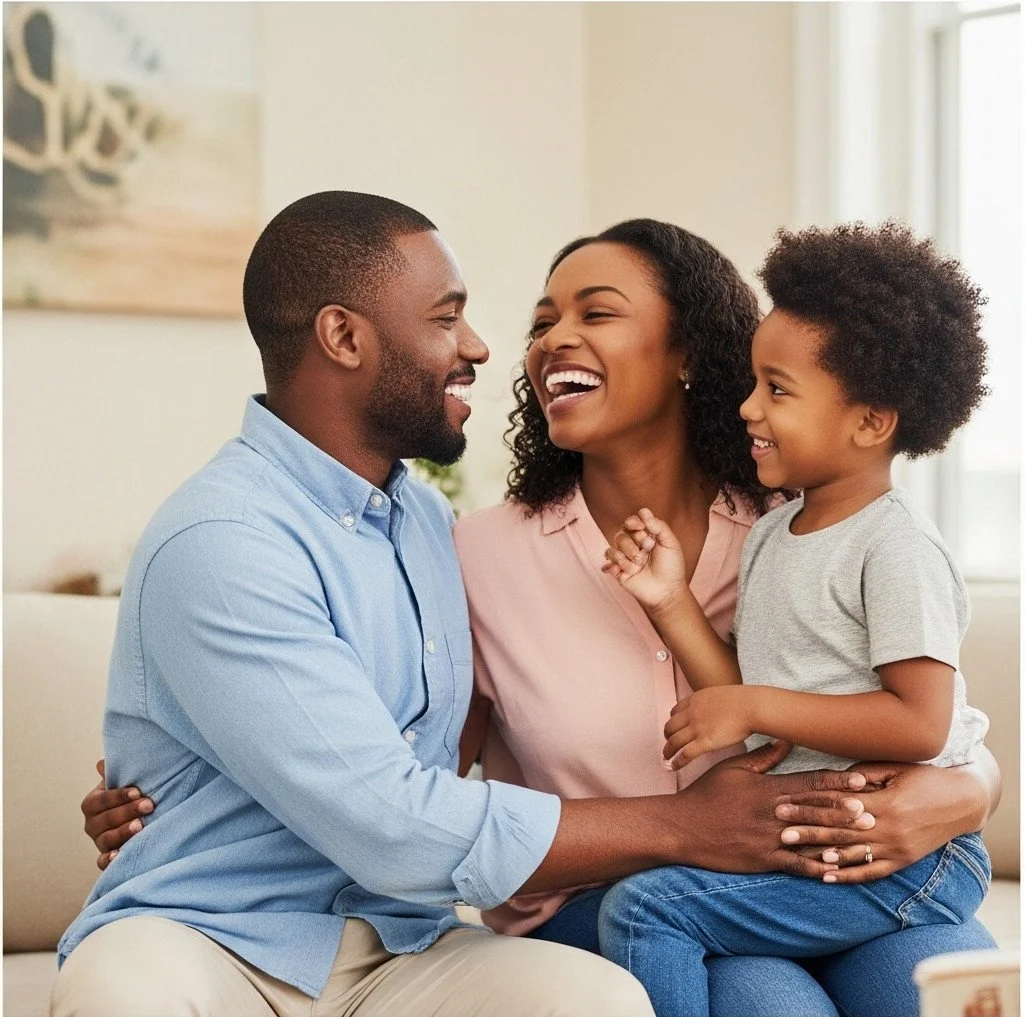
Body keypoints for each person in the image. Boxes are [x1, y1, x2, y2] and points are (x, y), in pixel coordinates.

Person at [80, 213, 1001, 1017]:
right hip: (617, 904)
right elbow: (407, 775)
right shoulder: (469, 550)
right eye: (539, 321)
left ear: (689, 353)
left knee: (940, 976)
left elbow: (918, 710)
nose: (523, 343)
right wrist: (199, 781)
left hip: (819, 878)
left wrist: (968, 790)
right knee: (767, 997)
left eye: (595, 313)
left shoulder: (790, 529)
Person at [596, 222, 993, 1017]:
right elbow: (758, 702)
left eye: (776, 389)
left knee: (643, 909)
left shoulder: (895, 545)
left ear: (870, 421)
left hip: (916, 857)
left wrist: (750, 706)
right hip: (820, 849)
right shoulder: (777, 532)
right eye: (751, 383)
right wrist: (672, 602)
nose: (747, 407)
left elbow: (921, 723)